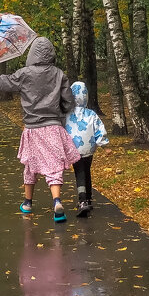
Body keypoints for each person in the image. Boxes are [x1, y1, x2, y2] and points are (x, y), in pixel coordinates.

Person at [0, 36, 79, 222]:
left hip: (32, 129)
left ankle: (27, 202)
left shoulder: (24, 73)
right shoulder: (59, 74)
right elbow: (68, 100)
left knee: (30, 165)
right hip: (53, 127)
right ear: (51, 54)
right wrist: (63, 111)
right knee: (54, 166)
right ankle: (57, 200)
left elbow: (5, 83)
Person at [65, 81, 109, 216]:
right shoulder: (91, 114)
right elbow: (99, 130)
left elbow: (62, 130)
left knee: (79, 172)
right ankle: (89, 198)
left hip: (74, 149)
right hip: (89, 149)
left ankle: (83, 200)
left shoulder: (67, 115)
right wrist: (104, 145)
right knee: (86, 170)